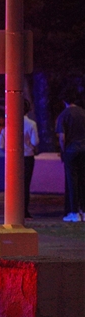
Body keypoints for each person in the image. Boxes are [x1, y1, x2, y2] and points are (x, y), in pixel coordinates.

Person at [0, 99, 39, 219]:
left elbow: (0, 145)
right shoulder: (31, 124)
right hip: (27, 157)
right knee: (25, 184)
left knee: (13, 184)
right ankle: (24, 210)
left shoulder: (9, 124)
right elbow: (35, 141)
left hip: (13, 159)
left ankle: (12, 210)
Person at [56, 89, 85, 222]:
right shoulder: (83, 113)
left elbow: (62, 137)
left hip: (71, 151)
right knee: (83, 180)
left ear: (64, 101)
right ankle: (83, 211)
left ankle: (74, 212)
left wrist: (63, 151)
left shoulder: (63, 115)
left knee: (72, 182)